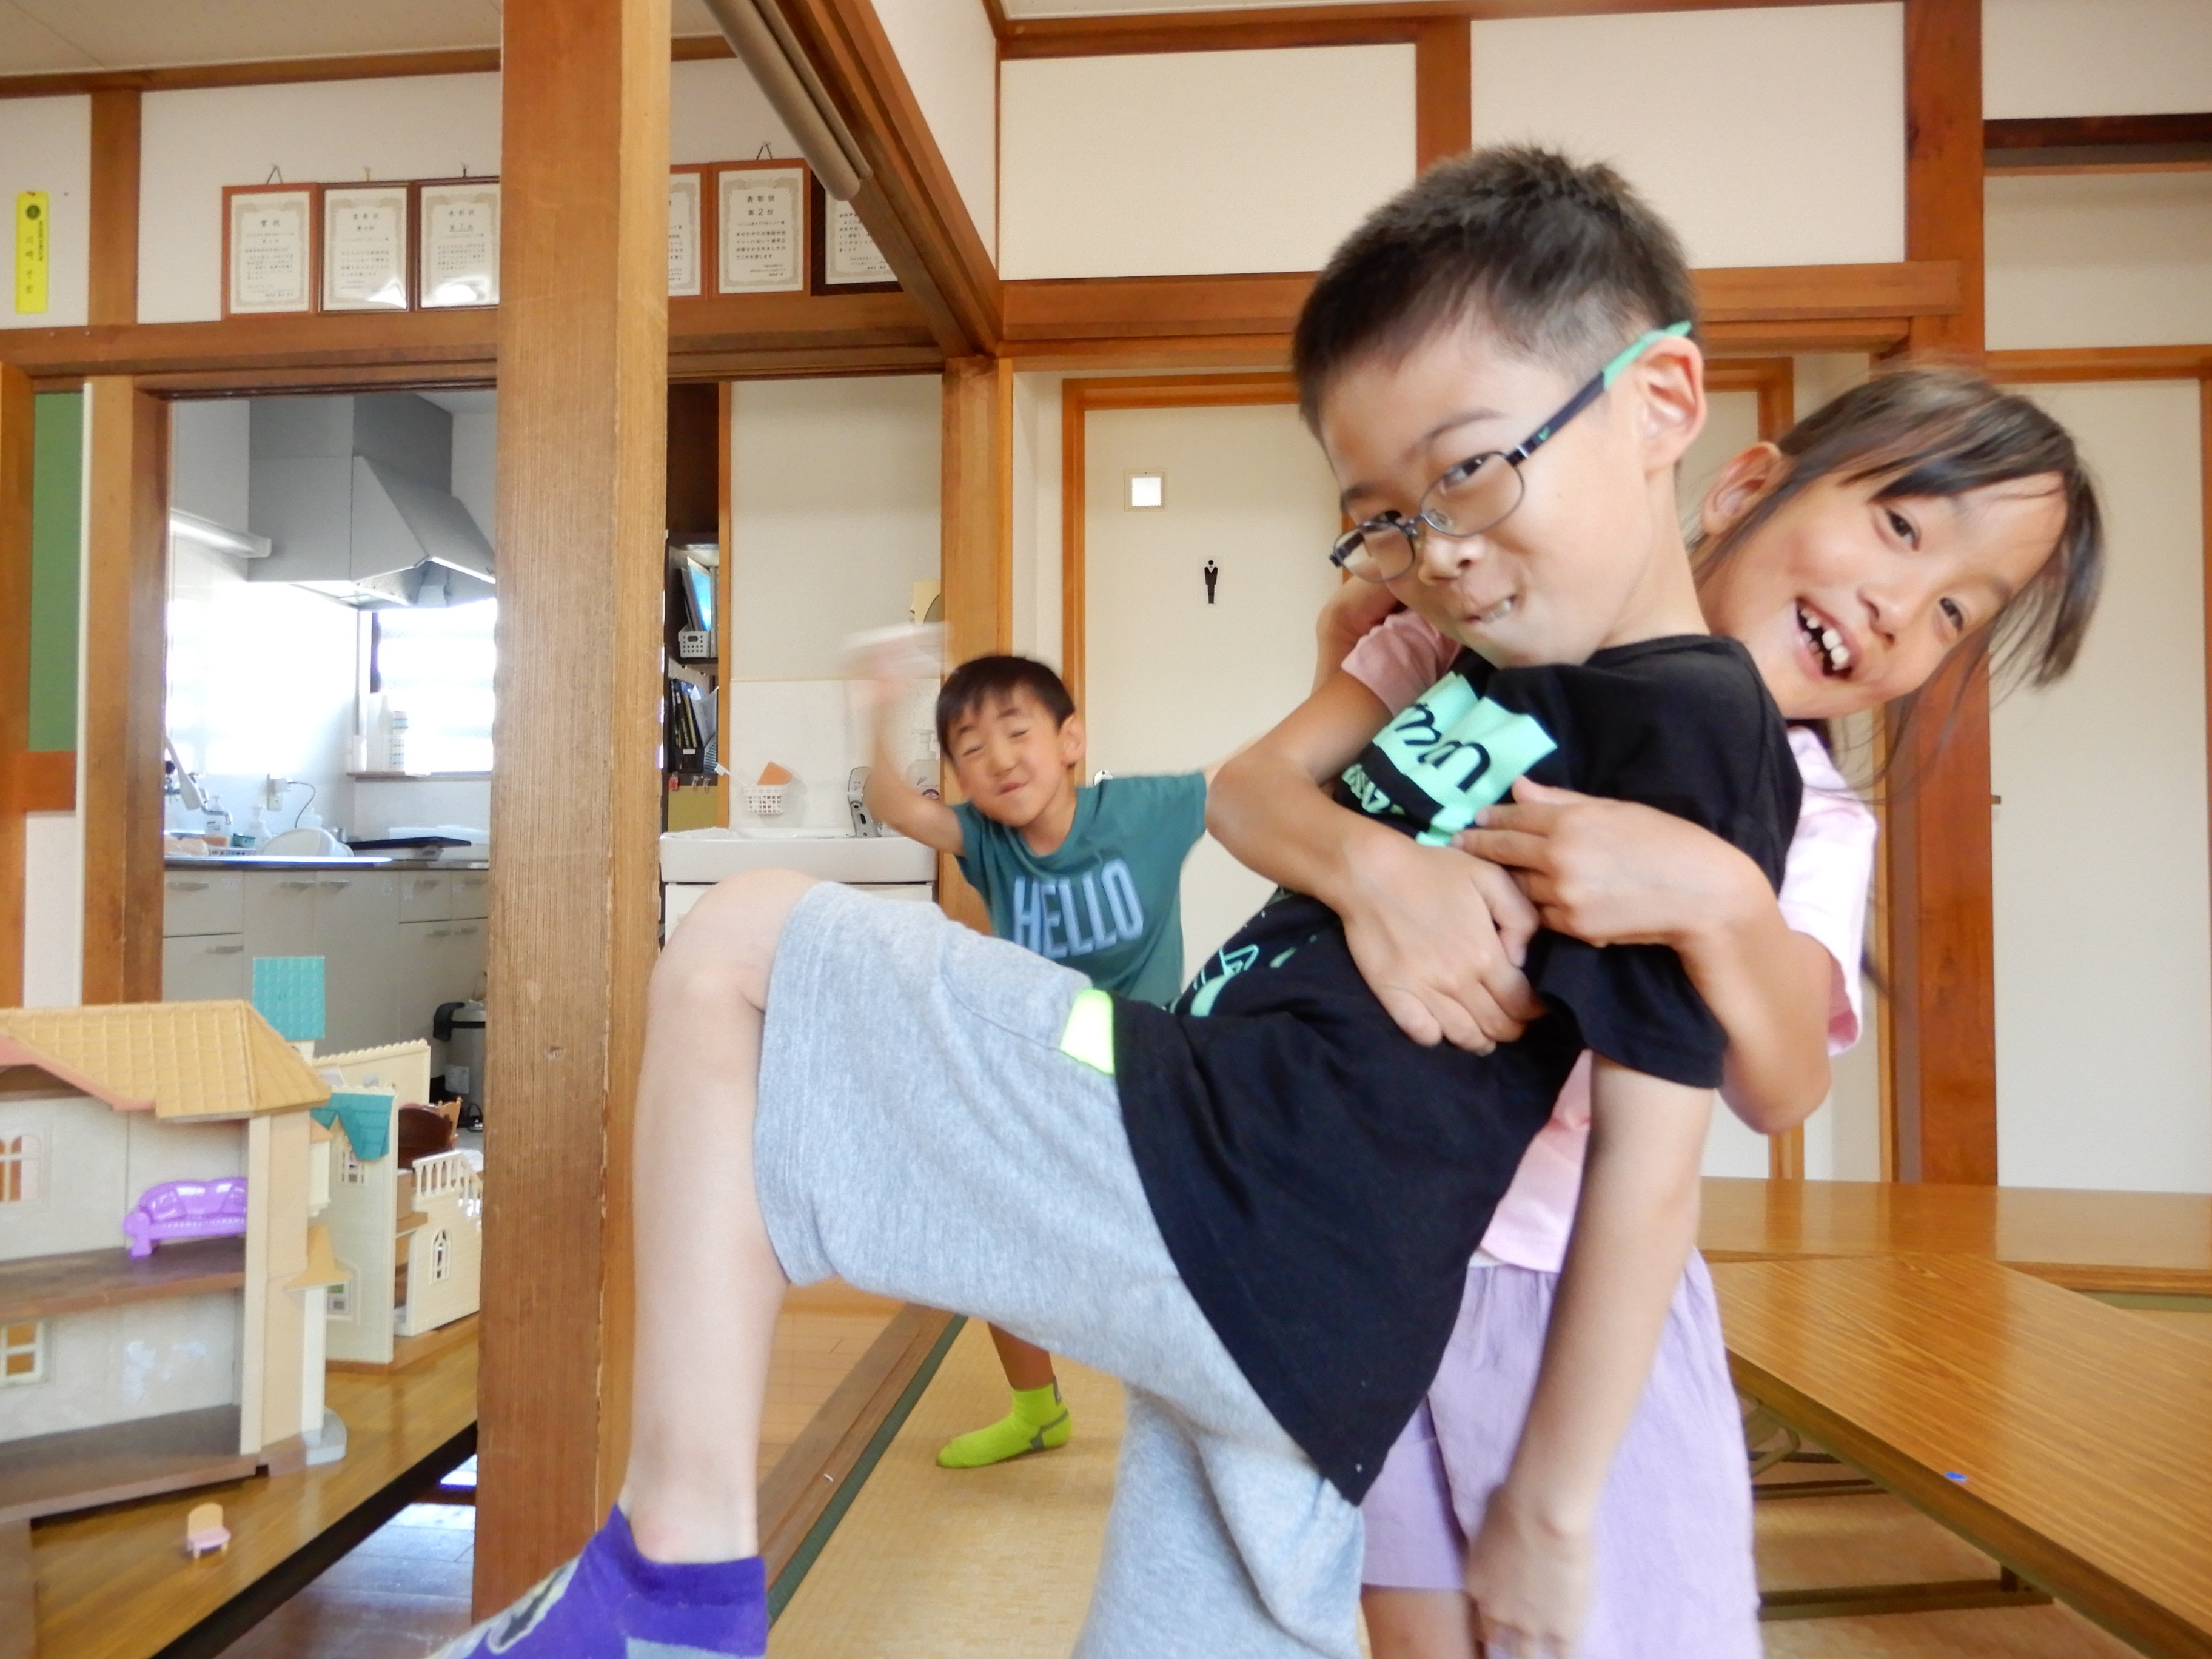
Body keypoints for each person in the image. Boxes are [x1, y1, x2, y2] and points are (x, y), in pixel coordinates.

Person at [435, 145, 1799, 1659]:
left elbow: (1653, 1160)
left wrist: (1555, 1503)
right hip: (1305, 1304)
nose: (1443, 555)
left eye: (1471, 471)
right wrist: (1376, 866)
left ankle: (674, 1579)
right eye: (1387, 518)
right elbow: (1251, 790)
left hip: (1244, 1174)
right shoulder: (1470, 661)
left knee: (742, 942)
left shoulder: (1694, 727)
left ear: (1662, 401)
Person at [1272, 369, 2102, 1658]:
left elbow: (1784, 1083)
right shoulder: (1487, 654)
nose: (1900, 607)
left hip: (1575, 1300)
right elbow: (1275, 805)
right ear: (1744, 486)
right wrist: (1376, 850)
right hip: (1373, 1264)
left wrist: (1720, 899)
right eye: (1901, 526)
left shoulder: (1814, 817)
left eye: (1955, 610)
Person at [857, 649, 1212, 1470]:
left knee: (1163, 1259)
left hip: (1142, 1071)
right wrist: (879, 704)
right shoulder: (987, 842)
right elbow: (890, 803)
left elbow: (1256, 781)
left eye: (1017, 732)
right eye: (972, 748)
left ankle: (1196, 1423)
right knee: (989, 1228)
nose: (1000, 759)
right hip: (1037, 1066)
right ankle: (1038, 1411)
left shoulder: (1142, 813)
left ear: (1070, 741)